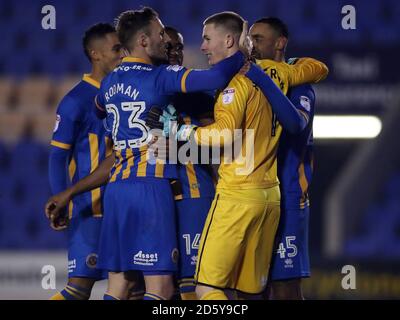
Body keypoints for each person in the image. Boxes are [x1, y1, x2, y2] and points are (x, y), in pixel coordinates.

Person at [146, 11, 327, 300]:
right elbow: (319, 69)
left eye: (207, 39)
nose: (202, 47)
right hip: (269, 197)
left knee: (206, 288)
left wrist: (177, 130)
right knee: (250, 292)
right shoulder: (279, 72)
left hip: (236, 196)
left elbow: (223, 136)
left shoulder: (235, 84)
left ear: (229, 40)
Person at [91, 7, 248, 300]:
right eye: (160, 34)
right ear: (143, 41)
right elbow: (215, 78)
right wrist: (241, 52)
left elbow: (98, 108)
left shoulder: (109, 82)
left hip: (116, 190)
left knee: (119, 286)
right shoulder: (160, 77)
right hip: (150, 186)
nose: (165, 40)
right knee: (161, 289)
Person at [46, 23, 123, 300]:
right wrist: (62, 198)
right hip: (91, 208)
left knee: (132, 287)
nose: (122, 54)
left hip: (123, 205)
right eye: (116, 49)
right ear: (96, 54)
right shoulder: (75, 101)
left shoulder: (125, 91)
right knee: (78, 290)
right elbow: (58, 157)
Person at [249, 17, 317, 300]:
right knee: (253, 286)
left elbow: (296, 124)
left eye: (259, 39)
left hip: (288, 195)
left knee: (285, 286)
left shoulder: (299, 82)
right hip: (252, 195)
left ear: (280, 43)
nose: (251, 45)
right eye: (249, 39)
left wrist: (262, 80)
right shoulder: (245, 81)